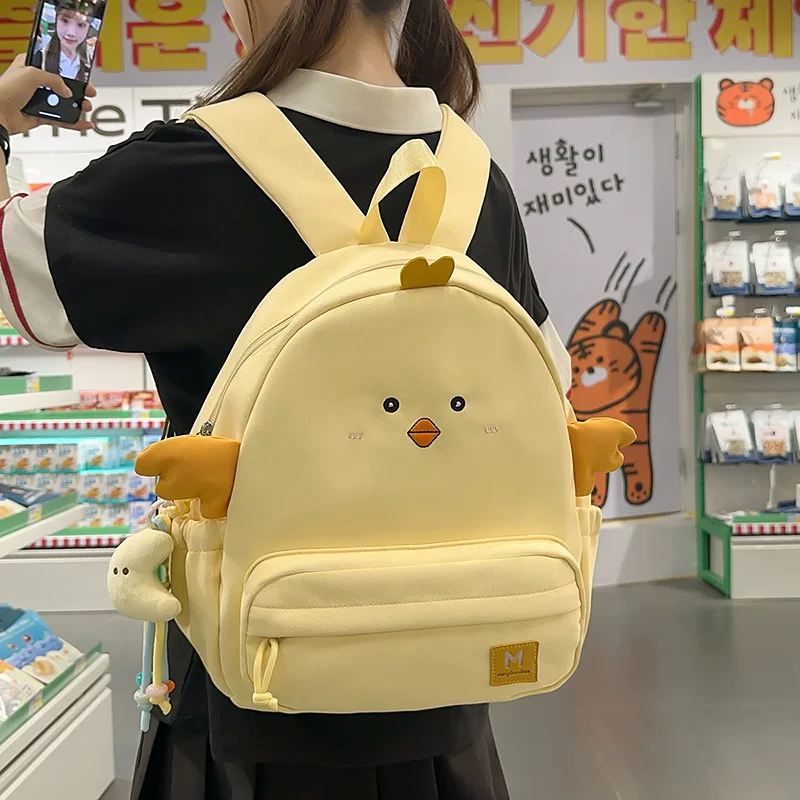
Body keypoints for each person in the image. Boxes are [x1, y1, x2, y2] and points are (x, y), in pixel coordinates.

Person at [0, 0, 571, 797]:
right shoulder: (474, 176)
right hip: (446, 675)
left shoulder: (192, 167)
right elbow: (552, 381)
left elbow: (19, 284)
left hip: (251, 695)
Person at [32, 4, 93, 82]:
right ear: (56, 20)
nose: (71, 33)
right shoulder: (40, 59)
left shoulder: (91, 64)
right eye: (65, 21)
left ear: (88, 28)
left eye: (81, 25)